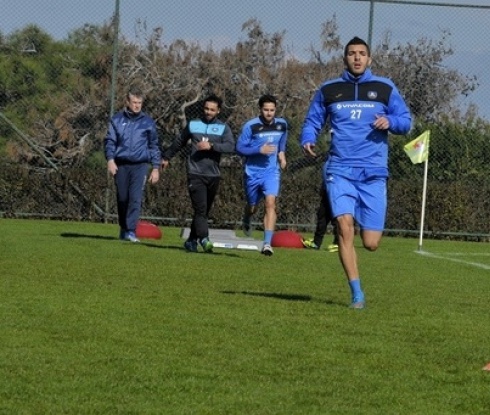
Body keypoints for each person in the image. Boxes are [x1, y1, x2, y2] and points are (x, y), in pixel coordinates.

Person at [300, 36, 412, 308]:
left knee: (371, 243)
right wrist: (308, 137)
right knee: (343, 226)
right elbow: (313, 119)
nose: (357, 57)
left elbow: (406, 121)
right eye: (352, 53)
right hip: (339, 169)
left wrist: (391, 121)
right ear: (345, 58)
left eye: (362, 53)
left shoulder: (385, 87)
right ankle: (357, 293)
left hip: (373, 172)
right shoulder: (329, 89)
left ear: (369, 59)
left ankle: (364, 223)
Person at [161, 94, 235, 253]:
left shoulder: (223, 128)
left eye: (212, 110)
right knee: (200, 209)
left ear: (218, 111)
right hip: (195, 172)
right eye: (206, 108)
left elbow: (230, 146)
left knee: (203, 211)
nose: (208, 112)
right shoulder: (193, 124)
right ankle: (204, 239)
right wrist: (166, 157)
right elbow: (179, 141)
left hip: (213, 175)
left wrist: (212, 146)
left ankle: (191, 241)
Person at [104, 86, 161, 243]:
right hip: (121, 165)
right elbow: (110, 141)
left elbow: (154, 145)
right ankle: (123, 227)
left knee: (135, 198)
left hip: (140, 166)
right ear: (127, 102)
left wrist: (156, 168)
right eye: (134, 102)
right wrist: (110, 160)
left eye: (139, 103)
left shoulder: (148, 122)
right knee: (122, 198)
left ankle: (131, 231)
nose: (137, 106)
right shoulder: (117, 120)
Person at [236, 94, 288, 256]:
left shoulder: (282, 124)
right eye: (266, 110)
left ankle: (267, 244)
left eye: (272, 110)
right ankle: (247, 217)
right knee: (252, 206)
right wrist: (259, 150)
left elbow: (282, 140)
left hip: (271, 172)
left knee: (270, 204)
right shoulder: (250, 126)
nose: (269, 113)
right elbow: (239, 148)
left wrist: (282, 154)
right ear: (260, 109)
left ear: (276, 110)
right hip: (252, 172)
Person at [302, 183, 339, 252]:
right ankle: (316, 243)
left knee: (336, 218)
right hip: (327, 191)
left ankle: (338, 243)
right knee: (322, 217)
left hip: (337, 192)